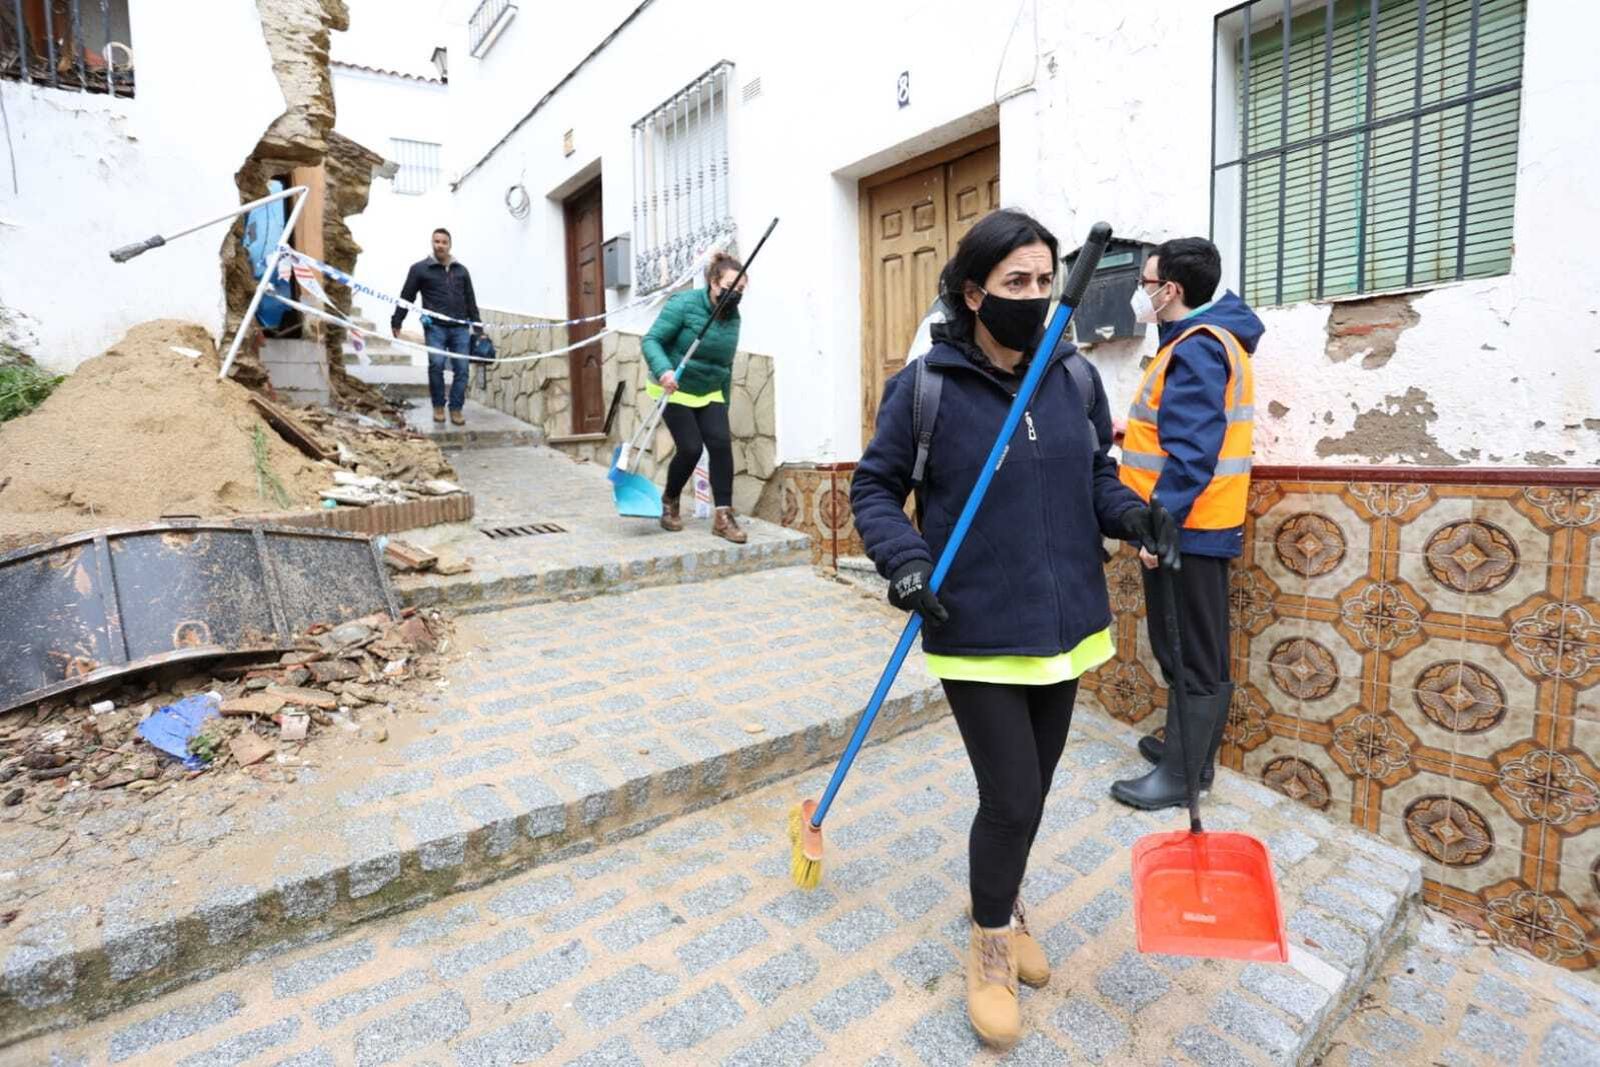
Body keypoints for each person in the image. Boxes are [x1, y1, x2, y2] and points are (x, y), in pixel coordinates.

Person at [851, 209, 1176, 1050]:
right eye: (1014, 284)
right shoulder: (926, 387)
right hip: (978, 626)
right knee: (1013, 796)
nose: (1033, 298)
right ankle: (990, 940)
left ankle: (1004, 899)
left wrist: (1137, 519)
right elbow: (875, 491)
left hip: (1066, 624)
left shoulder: (1070, 377)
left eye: (1043, 281)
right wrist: (906, 562)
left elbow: (1094, 477)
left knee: (1031, 788)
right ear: (973, 291)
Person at [1109, 237, 1263, 811]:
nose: (1140, 293)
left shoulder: (1197, 349)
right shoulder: (1199, 343)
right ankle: (1185, 748)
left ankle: (1183, 775)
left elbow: (1192, 454)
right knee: (1185, 645)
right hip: (1195, 525)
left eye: (1146, 282)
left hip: (1188, 529)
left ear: (1170, 290)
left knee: (1190, 649)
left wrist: (1158, 528)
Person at [641, 253, 750, 543]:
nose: (735, 294)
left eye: (740, 290)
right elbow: (651, 340)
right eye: (730, 286)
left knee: (720, 444)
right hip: (673, 385)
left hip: (709, 389)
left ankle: (723, 517)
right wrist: (664, 371)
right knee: (690, 448)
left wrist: (723, 403)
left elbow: (724, 365)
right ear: (714, 283)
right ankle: (670, 499)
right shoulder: (684, 305)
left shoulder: (733, 319)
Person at [392, 228, 482, 426]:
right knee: (437, 365)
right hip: (435, 329)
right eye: (436, 241)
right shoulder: (420, 269)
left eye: (443, 242)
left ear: (450, 245)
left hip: (459, 328)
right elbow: (407, 296)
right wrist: (397, 321)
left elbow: (470, 300)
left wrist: (479, 330)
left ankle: (456, 408)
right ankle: (438, 406)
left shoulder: (461, 270)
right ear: (432, 243)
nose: (440, 245)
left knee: (462, 370)